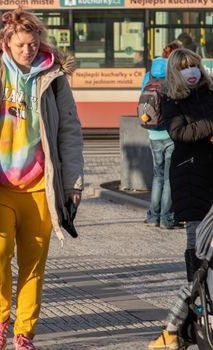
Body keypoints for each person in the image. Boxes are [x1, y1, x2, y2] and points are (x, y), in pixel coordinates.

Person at [0, 8, 84, 350]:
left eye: (33, 43)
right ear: (7, 42)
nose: (28, 50)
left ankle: (24, 332)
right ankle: (0, 319)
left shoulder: (53, 76)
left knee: (33, 264)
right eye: (21, 44)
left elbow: (70, 132)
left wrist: (73, 184)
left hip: (40, 187)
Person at [148, 48, 213, 350]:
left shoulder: (210, 93)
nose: (192, 71)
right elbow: (180, 134)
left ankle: (185, 323)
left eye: (195, 66)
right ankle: (181, 323)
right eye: (186, 67)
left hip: (209, 175)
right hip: (190, 179)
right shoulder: (171, 100)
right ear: (176, 73)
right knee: (197, 250)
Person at [141, 40, 181, 230]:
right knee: (169, 177)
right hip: (171, 132)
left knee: (157, 176)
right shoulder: (174, 73)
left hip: (152, 132)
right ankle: (167, 218)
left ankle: (152, 216)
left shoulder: (149, 73)